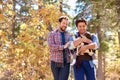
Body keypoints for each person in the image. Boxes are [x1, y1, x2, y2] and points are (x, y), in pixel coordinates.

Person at [47, 16, 71, 80]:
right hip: (55, 62)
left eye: (66, 24)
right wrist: (63, 47)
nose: (65, 25)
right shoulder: (52, 34)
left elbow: (71, 47)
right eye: (63, 23)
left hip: (66, 62)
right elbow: (51, 46)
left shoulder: (68, 35)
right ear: (59, 23)